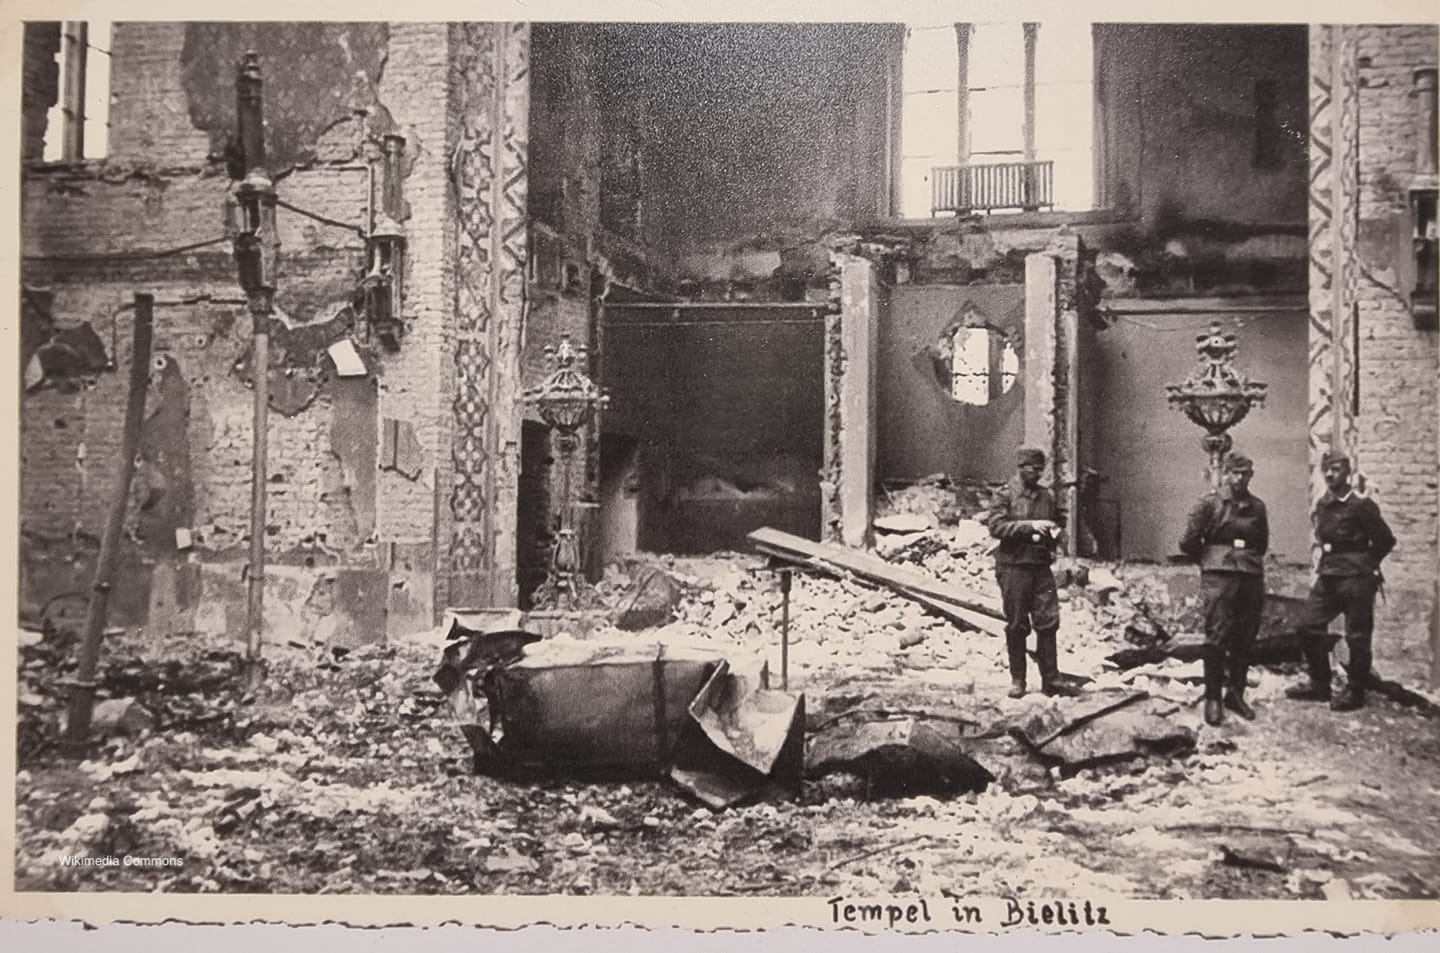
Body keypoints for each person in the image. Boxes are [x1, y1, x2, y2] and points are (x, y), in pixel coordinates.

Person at [1287, 451, 1396, 711]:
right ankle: (1320, 684)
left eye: (1335, 469)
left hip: (1356, 579)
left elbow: (1385, 540)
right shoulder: (1324, 503)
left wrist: (1366, 565)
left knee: (1357, 636)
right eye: (1326, 469)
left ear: (1347, 472)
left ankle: (1355, 691)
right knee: (1307, 626)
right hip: (1330, 575)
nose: (1329, 474)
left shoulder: (1361, 505)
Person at [986, 447, 1079, 698]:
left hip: (1040, 568)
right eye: (1032, 469)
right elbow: (996, 526)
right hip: (1014, 567)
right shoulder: (1004, 495)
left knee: (1048, 623)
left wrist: (1056, 533)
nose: (1037, 474)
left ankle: (1051, 680)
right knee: (1017, 625)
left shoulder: (1046, 497)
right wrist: (1030, 527)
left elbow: (1058, 520)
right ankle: (1018, 680)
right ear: (1020, 467)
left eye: (1040, 469)